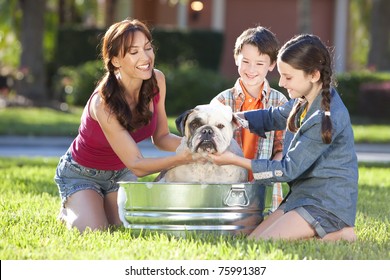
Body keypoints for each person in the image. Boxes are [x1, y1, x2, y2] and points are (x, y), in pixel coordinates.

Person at [207, 34, 358, 242]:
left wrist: (234, 160)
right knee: (251, 241)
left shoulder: (324, 117)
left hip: (325, 203)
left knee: (262, 244)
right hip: (301, 197)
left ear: (313, 75)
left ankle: (340, 233)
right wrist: (234, 118)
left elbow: (287, 170)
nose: (280, 82)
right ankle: (317, 233)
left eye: (288, 77)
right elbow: (273, 116)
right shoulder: (303, 100)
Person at [54, 18, 196, 233]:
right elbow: (137, 164)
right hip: (82, 173)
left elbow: (161, 137)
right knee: (95, 231)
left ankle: (95, 204)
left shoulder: (157, 80)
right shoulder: (103, 103)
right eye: (133, 52)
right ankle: (70, 209)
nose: (145, 57)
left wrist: (194, 145)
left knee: (131, 228)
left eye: (148, 48)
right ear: (115, 60)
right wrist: (182, 158)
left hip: (120, 174)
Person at [211, 26, 288, 212]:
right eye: (245, 61)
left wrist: (268, 172)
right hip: (227, 185)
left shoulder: (280, 102)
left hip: (266, 186)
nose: (251, 69)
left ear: (271, 65)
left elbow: (282, 149)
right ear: (236, 58)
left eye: (260, 63)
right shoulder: (220, 102)